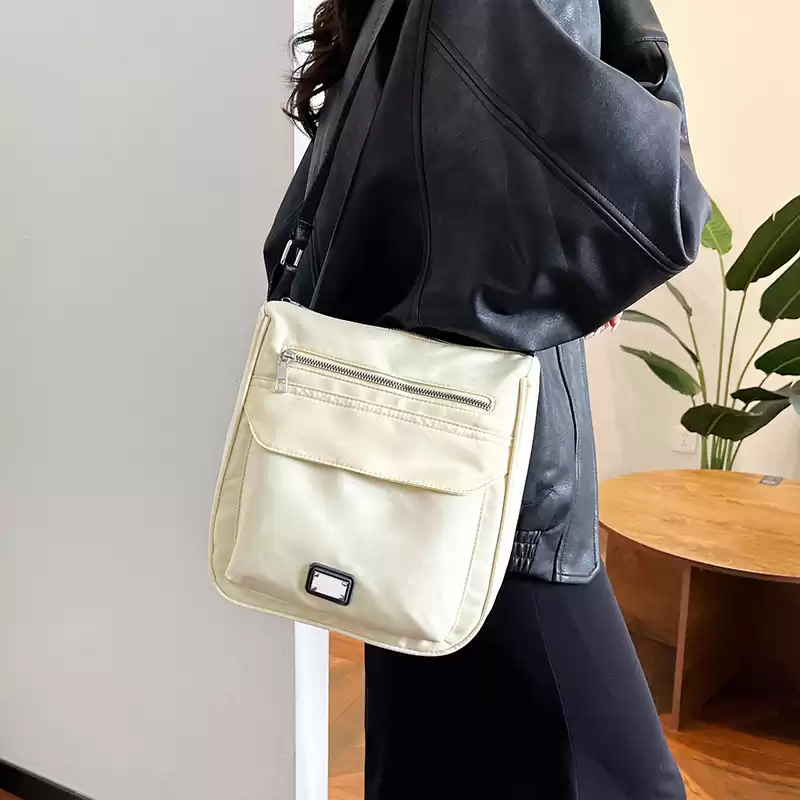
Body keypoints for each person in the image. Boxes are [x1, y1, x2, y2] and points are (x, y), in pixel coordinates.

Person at [265, 0, 710, 797]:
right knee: (619, 778)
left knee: (431, 763)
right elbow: (663, 198)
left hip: (404, 475)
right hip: (499, 482)